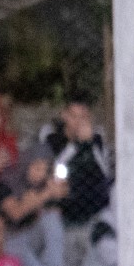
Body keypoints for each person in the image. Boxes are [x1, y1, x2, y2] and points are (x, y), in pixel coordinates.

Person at [0, 147, 73, 266]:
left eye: (44, 169)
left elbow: (60, 199)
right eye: (36, 168)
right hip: (8, 240)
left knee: (52, 216)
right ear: (26, 164)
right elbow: (16, 213)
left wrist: (60, 190)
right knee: (15, 247)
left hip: (31, 236)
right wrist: (46, 195)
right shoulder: (7, 182)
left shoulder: (45, 183)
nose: (40, 174)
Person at [41, 98, 110, 231]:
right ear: (64, 115)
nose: (79, 122)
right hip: (63, 209)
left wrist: (89, 144)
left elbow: (105, 172)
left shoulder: (97, 139)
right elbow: (56, 168)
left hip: (94, 208)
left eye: (83, 117)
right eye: (74, 116)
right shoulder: (53, 138)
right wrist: (78, 144)